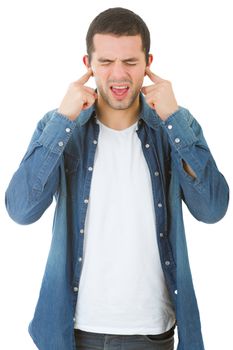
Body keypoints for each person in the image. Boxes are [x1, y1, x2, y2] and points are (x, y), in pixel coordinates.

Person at [5, 7, 229, 350]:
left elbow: (212, 209)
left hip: (151, 334)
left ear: (148, 63)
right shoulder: (61, 128)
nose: (118, 74)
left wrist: (174, 118)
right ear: (88, 64)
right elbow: (21, 210)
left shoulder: (174, 127)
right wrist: (63, 119)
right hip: (72, 333)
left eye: (130, 61)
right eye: (106, 62)